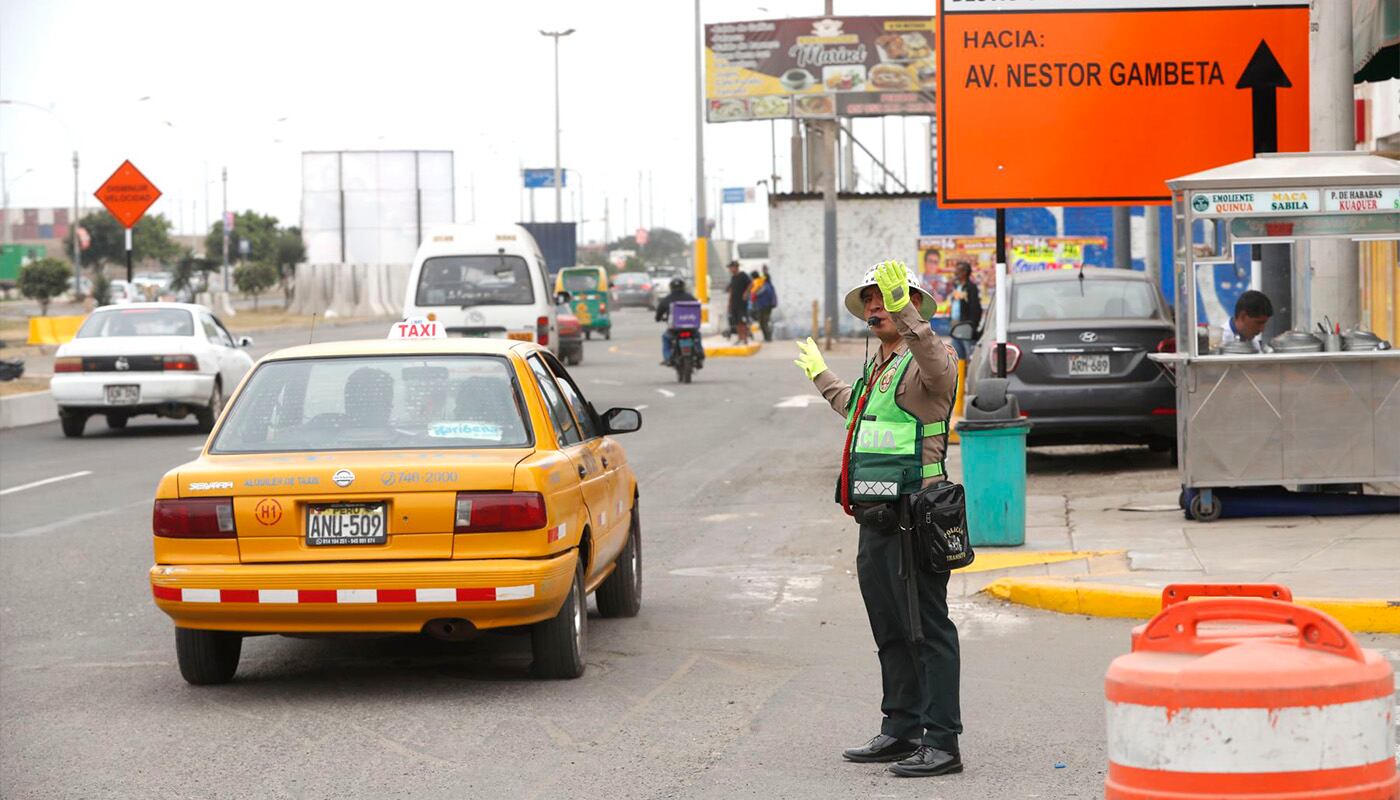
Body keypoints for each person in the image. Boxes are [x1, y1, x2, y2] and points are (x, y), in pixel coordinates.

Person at [792, 260, 963, 779]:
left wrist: (906, 311)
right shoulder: (880, 365)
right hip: (878, 513)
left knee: (926, 627)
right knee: (889, 624)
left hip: (918, 507)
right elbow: (858, 411)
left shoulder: (929, 357)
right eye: (869, 299)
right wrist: (822, 377)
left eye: (884, 297)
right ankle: (901, 727)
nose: (874, 306)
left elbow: (942, 372)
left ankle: (942, 742)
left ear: (908, 303)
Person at [655, 278, 703, 365]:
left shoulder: (666, 299)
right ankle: (700, 353)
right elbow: (698, 311)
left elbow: (659, 314)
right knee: (697, 336)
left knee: (665, 338)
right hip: (691, 329)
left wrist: (658, 318)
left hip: (675, 330)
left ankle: (668, 358)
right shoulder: (690, 297)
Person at [948, 262, 981, 361]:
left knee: (969, 355)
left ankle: (969, 375)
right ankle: (960, 376)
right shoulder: (957, 286)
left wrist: (972, 326)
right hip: (955, 325)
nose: (955, 272)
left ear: (965, 272)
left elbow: (975, 308)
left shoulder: (971, 287)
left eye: (958, 270)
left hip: (966, 325)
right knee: (956, 354)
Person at [726, 261, 752, 344]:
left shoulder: (743, 275)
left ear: (736, 267)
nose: (730, 269)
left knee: (742, 322)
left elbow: (751, 284)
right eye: (729, 268)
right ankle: (740, 338)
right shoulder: (733, 278)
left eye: (731, 267)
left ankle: (745, 339)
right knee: (736, 322)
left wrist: (746, 293)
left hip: (741, 304)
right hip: (734, 303)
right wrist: (729, 304)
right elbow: (731, 291)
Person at [749, 270, 778, 341]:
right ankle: (767, 337)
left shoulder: (766, 285)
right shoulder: (766, 285)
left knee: (764, 322)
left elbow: (758, 293)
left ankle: (768, 337)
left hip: (765, 306)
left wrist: (755, 291)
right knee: (763, 322)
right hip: (762, 306)